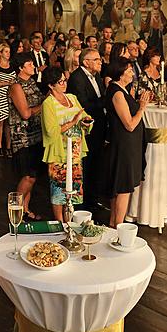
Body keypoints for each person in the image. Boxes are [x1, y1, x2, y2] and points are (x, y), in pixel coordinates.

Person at [106, 56, 151, 226]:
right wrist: (141, 107)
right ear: (120, 73)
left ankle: (113, 224)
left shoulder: (122, 90)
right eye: (129, 70)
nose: (132, 73)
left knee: (121, 187)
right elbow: (130, 124)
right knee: (123, 187)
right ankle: (118, 226)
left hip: (128, 144)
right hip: (124, 144)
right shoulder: (117, 93)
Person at [41, 66, 91, 222]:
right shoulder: (48, 103)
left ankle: (69, 223)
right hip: (59, 152)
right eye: (60, 81)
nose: (64, 84)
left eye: (64, 80)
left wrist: (86, 121)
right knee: (58, 190)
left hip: (75, 150)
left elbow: (83, 114)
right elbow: (51, 131)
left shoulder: (72, 97)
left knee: (73, 189)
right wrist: (73, 122)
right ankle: (59, 224)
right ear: (51, 85)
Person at [67, 48, 108, 209]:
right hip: (86, 128)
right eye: (96, 59)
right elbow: (84, 106)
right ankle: (83, 203)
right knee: (87, 164)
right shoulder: (77, 78)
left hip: (98, 125)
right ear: (86, 62)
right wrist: (106, 99)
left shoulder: (96, 76)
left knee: (96, 163)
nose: (100, 62)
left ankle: (93, 198)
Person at [8, 52, 45, 221]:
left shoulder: (31, 82)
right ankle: (15, 211)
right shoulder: (16, 86)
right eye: (29, 64)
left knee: (33, 176)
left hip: (36, 135)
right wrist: (45, 104)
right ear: (21, 67)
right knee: (27, 176)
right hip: (23, 136)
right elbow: (25, 113)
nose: (33, 66)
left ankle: (25, 209)